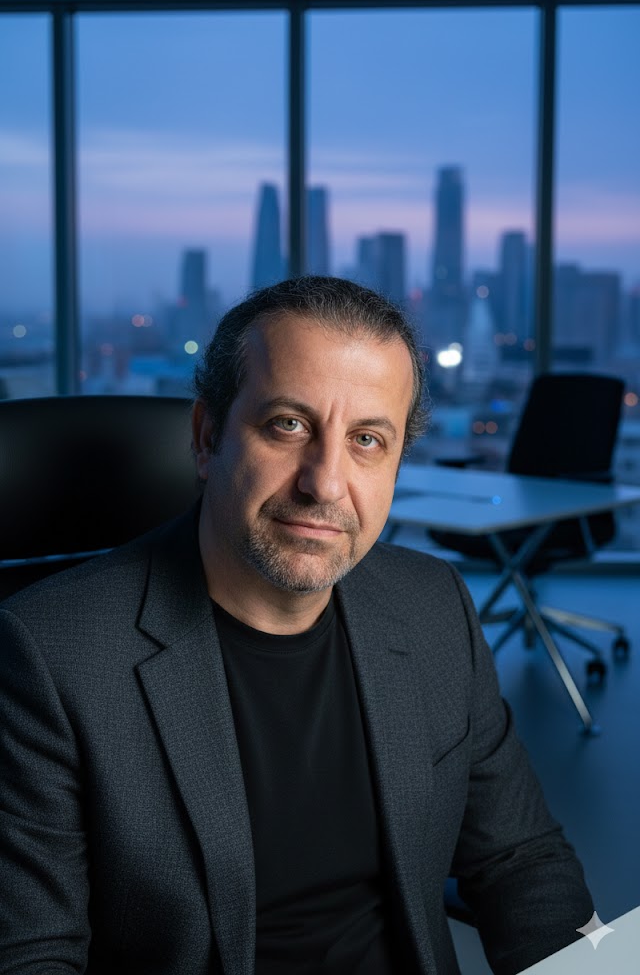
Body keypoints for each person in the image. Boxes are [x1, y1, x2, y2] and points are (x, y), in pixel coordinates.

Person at [0, 276, 593, 975]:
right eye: (288, 425)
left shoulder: (433, 605)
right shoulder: (51, 654)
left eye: (367, 439)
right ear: (207, 437)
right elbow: (33, 956)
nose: (325, 483)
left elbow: (521, 859)